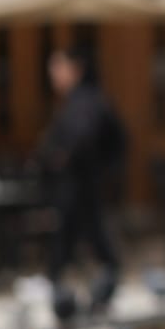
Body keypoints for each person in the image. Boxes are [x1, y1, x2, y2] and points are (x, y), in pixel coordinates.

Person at [36, 49, 123, 285]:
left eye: (58, 68)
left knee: (82, 229)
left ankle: (101, 273)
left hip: (80, 179)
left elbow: (84, 138)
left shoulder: (84, 100)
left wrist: (62, 156)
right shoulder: (83, 99)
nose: (53, 75)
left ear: (75, 70)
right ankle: (61, 276)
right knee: (77, 229)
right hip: (82, 180)